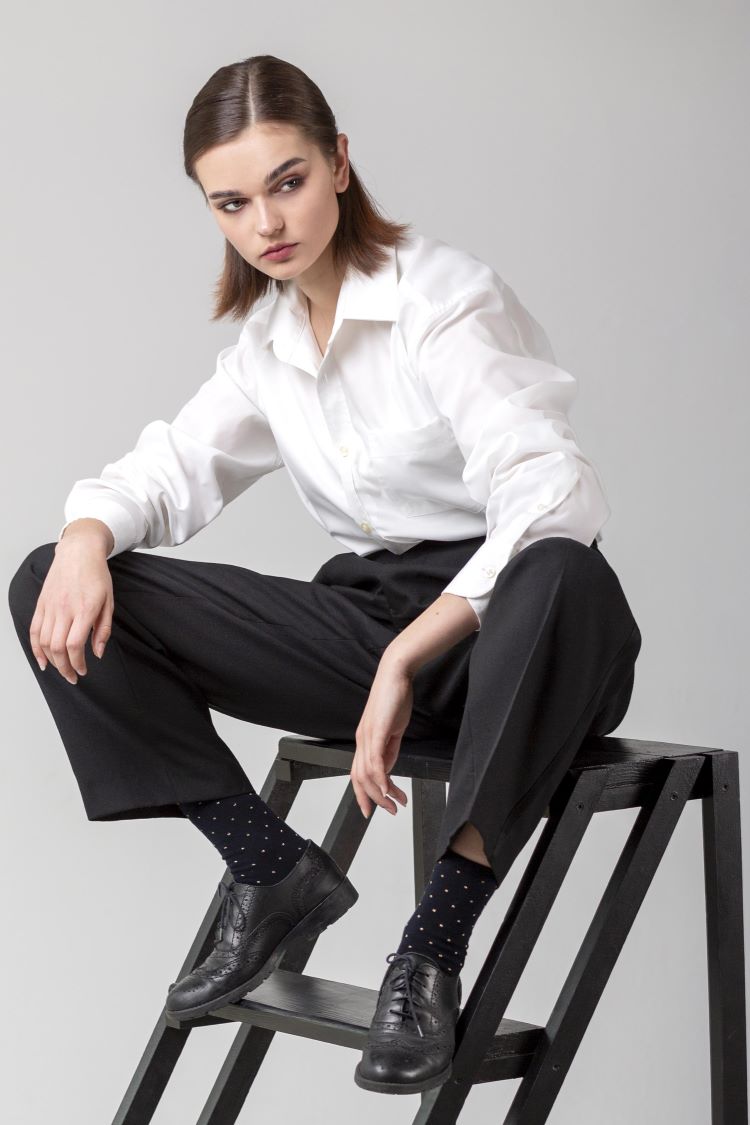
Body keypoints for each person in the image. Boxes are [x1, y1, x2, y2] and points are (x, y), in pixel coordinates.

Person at [7, 53, 642, 1096]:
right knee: (48, 575)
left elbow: (554, 494)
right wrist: (83, 539)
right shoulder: (268, 342)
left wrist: (411, 651)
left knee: (562, 570)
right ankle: (270, 870)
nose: (267, 221)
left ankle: (432, 948)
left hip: (521, 634)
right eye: (234, 201)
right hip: (373, 622)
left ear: (339, 163)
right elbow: (168, 468)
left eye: (288, 181)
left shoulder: (442, 297)